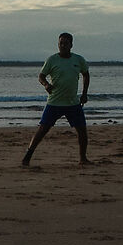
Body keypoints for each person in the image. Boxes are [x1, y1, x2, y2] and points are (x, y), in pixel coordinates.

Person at [21, 31, 93, 167]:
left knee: (82, 130)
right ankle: (27, 157)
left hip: (73, 102)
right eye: (61, 43)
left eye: (66, 43)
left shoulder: (78, 60)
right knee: (42, 129)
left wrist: (84, 93)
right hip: (55, 102)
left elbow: (86, 74)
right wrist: (46, 84)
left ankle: (83, 158)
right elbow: (41, 76)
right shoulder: (52, 60)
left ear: (71, 45)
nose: (63, 46)